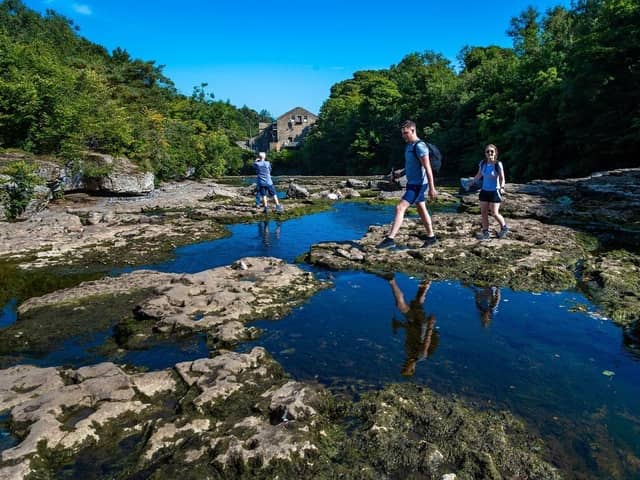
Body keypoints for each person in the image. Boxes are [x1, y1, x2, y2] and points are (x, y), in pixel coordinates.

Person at [377, 120, 438, 249]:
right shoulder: (409, 146)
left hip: (419, 184)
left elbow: (428, 168)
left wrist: (432, 188)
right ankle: (431, 237)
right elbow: (410, 164)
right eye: (402, 134)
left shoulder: (420, 146)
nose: (404, 136)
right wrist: (400, 174)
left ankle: (390, 239)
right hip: (412, 183)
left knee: (400, 207)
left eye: (406, 133)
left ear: (413, 130)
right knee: (421, 209)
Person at [387, 275, 439, 377]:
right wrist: (431, 325)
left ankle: (426, 282)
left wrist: (400, 325)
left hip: (414, 324)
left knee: (417, 304)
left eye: (403, 366)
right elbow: (426, 340)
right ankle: (391, 280)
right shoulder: (421, 355)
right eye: (406, 367)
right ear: (412, 369)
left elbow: (410, 335)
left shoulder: (409, 354)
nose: (404, 364)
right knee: (401, 306)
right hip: (421, 324)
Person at [468, 144, 508, 240]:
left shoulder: (498, 164)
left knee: (494, 213)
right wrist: (472, 182)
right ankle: (485, 233)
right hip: (484, 191)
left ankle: (504, 228)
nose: (489, 153)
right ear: (485, 153)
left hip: (494, 191)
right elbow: (479, 174)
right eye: (487, 151)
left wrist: (502, 187)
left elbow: (502, 178)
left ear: (495, 153)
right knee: (484, 212)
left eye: (491, 151)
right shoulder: (482, 163)